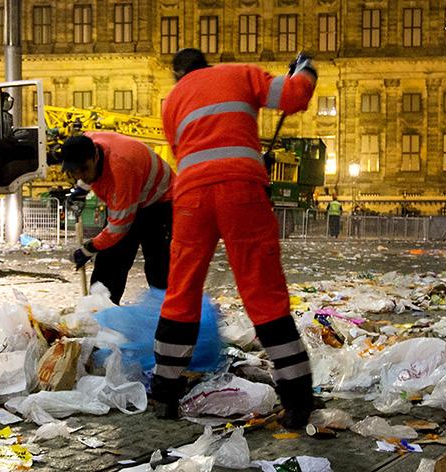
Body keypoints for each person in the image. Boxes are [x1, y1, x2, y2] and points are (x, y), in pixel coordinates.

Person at [152, 47, 318, 427]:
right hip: (241, 189)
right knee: (263, 290)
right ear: (206, 64)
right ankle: (297, 400)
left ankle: (164, 392)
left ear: (179, 75)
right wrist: (306, 70)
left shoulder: (172, 100)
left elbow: (184, 152)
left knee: (181, 290)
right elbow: (294, 97)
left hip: (192, 196)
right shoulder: (240, 73)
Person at [62, 132, 173, 304]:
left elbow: (118, 228)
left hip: (160, 201)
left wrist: (88, 248)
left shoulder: (121, 169)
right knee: (110, 261)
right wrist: (81, 189)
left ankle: (169, 316)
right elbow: (88, 172)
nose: (80, 176)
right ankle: (100, 312)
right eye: (75, 173)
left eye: (84, 170)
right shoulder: (86, 143)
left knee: (158, 264)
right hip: (133, 192)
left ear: (96, 157)